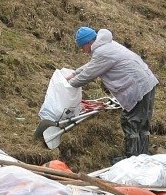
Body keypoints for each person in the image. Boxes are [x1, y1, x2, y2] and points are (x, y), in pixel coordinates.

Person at [67, 26, 158, 159]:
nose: (83, 50)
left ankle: (131, 161)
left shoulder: (101, 52)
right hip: (147, 82)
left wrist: (69, 85)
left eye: (82, 47)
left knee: (130, 122)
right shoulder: (107, 44)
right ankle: (142, 158)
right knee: (142, 124)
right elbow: (92, 65)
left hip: (137, 87)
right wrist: (74, 73)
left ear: (88, 43)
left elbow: (89, 74)